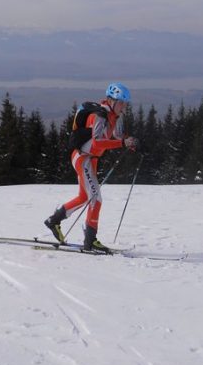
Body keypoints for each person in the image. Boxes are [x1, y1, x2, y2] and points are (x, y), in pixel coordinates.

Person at [44, 83, 139, 252]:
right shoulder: (99, 116)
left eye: (125, 103)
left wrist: (127, 141)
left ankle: (54, 221)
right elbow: (96, 142)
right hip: (82, 157)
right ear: (111, 100)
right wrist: (122, 143)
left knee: (84, 197)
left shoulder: (115, 116)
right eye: (121, 103)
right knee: (96, 197)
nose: (124, 107)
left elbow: (116, 136)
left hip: (91, 159)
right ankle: (90, 241)